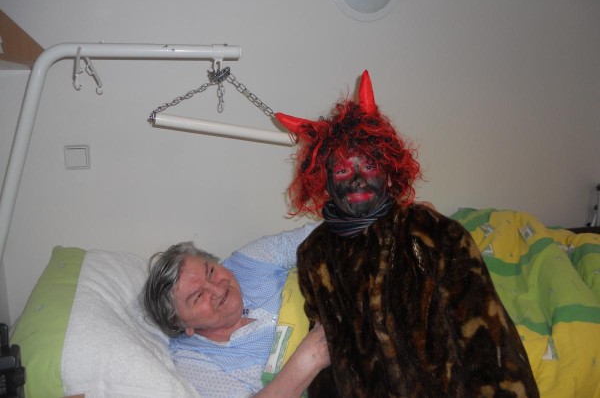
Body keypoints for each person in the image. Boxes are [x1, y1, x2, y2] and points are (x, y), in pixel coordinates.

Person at [274, 71, 540, 397]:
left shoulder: (434, 232)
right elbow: (329, 358)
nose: (357, 178)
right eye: (342, 170)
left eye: (368, 166)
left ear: (389, 173)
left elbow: (491, 345)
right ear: (325, 183)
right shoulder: (314, 254)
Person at [143, 224, 330, 398]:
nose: (217, 289)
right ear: (181, 323)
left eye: (211, 272)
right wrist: (311, 357)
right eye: (198, 296)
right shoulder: (195, 361)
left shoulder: (247, 263)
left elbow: (326, 237)